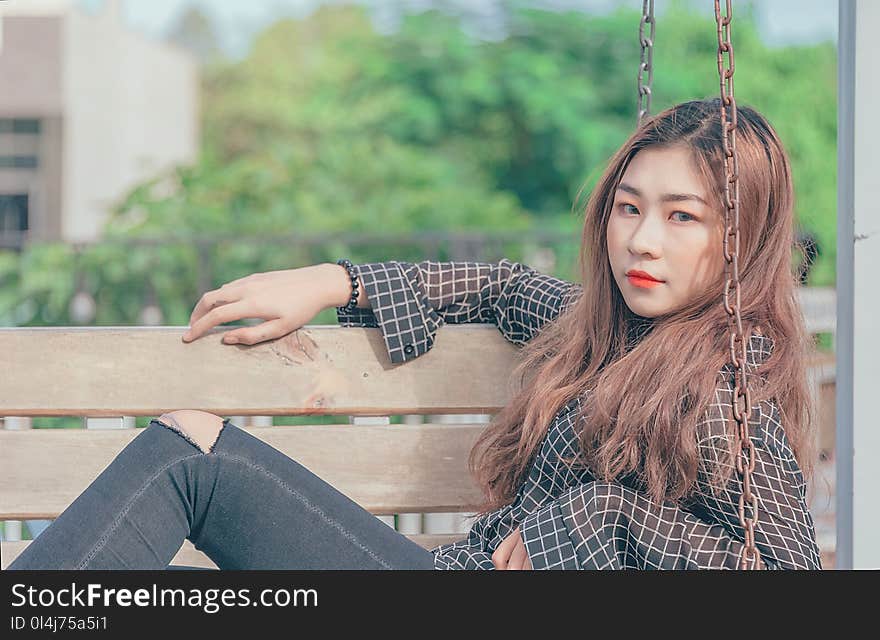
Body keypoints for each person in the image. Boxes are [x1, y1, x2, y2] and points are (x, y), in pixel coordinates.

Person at [7, 98, 821, 570]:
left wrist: (607, 521)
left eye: (684, 217)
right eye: (630, 206)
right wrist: (334, 282)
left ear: (742, 238)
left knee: (192, 456)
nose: (643, 241)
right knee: (188, 450)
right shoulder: (606, 332)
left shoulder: (724, 393)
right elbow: (504, 286)